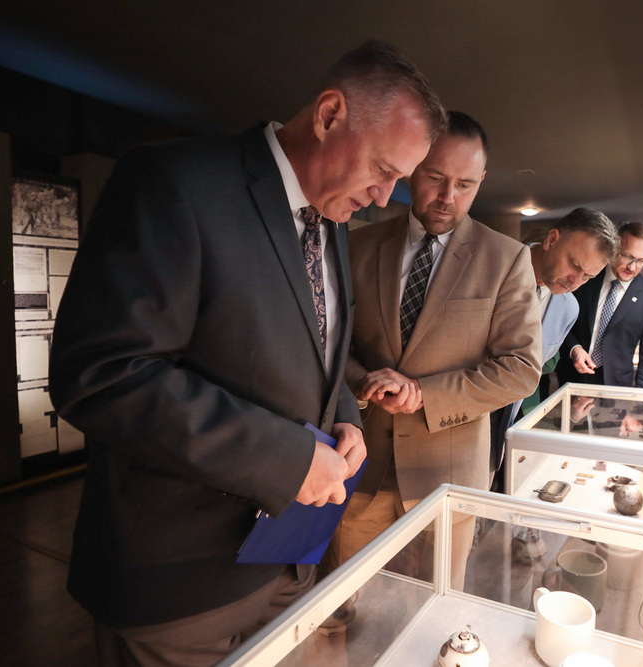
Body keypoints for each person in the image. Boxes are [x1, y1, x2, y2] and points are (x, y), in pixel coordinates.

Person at [48, 40, 446, 665]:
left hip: (287, 563)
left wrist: (344, 410)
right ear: (329, 114)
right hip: (180, 584)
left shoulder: (332, 221)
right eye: (384, 169)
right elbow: (101, 374)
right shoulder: (174, 181)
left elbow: (318, 345)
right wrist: (286, 458)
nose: (384, 197)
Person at [327, 111, 542, 588]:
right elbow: (329, 342)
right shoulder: (356, 244)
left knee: (435, 614)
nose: (448, 197)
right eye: (436, 178)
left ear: (482, 181)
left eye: (465, 184)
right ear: (413, 166)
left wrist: (425, 394)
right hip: (360, 464)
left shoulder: (506, 259)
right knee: (337, 605)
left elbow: (521, 370)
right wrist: (362, 381)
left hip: (448, 477)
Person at [489, 207, 619, 489]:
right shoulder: (491, 263)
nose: (575, 282)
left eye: (587, 276)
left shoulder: (568, 307)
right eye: (574, 265)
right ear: (551, 240)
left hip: (504, 427)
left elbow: (532, 374)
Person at [557, 221, 643, 389]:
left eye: (642, 261)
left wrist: (639, 406)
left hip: (617, 388)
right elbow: (560, 322)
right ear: (614, 248)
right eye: (627, 256)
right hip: (571, 379)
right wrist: (574, 348)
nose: (632, 267)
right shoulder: (586, 278)